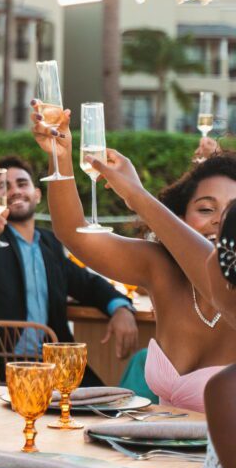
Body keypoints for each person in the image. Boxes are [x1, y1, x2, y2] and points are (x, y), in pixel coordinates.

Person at [30, 107, 236, 410]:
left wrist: (137, 196)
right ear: (180, 217)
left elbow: (214, 271)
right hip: (155, 451)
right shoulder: (160, 267)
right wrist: (60, 156)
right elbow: (73, 234)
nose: (220, 221)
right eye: (206, 209)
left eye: (232, 212)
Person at [0, 155, 138, 385]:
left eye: (21, 183)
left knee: (108, 404)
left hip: (53, 363)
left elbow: (86, 283)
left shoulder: (49, 243)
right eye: (4, 186)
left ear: (37, 195)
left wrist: (121, 308)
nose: (15, 190)